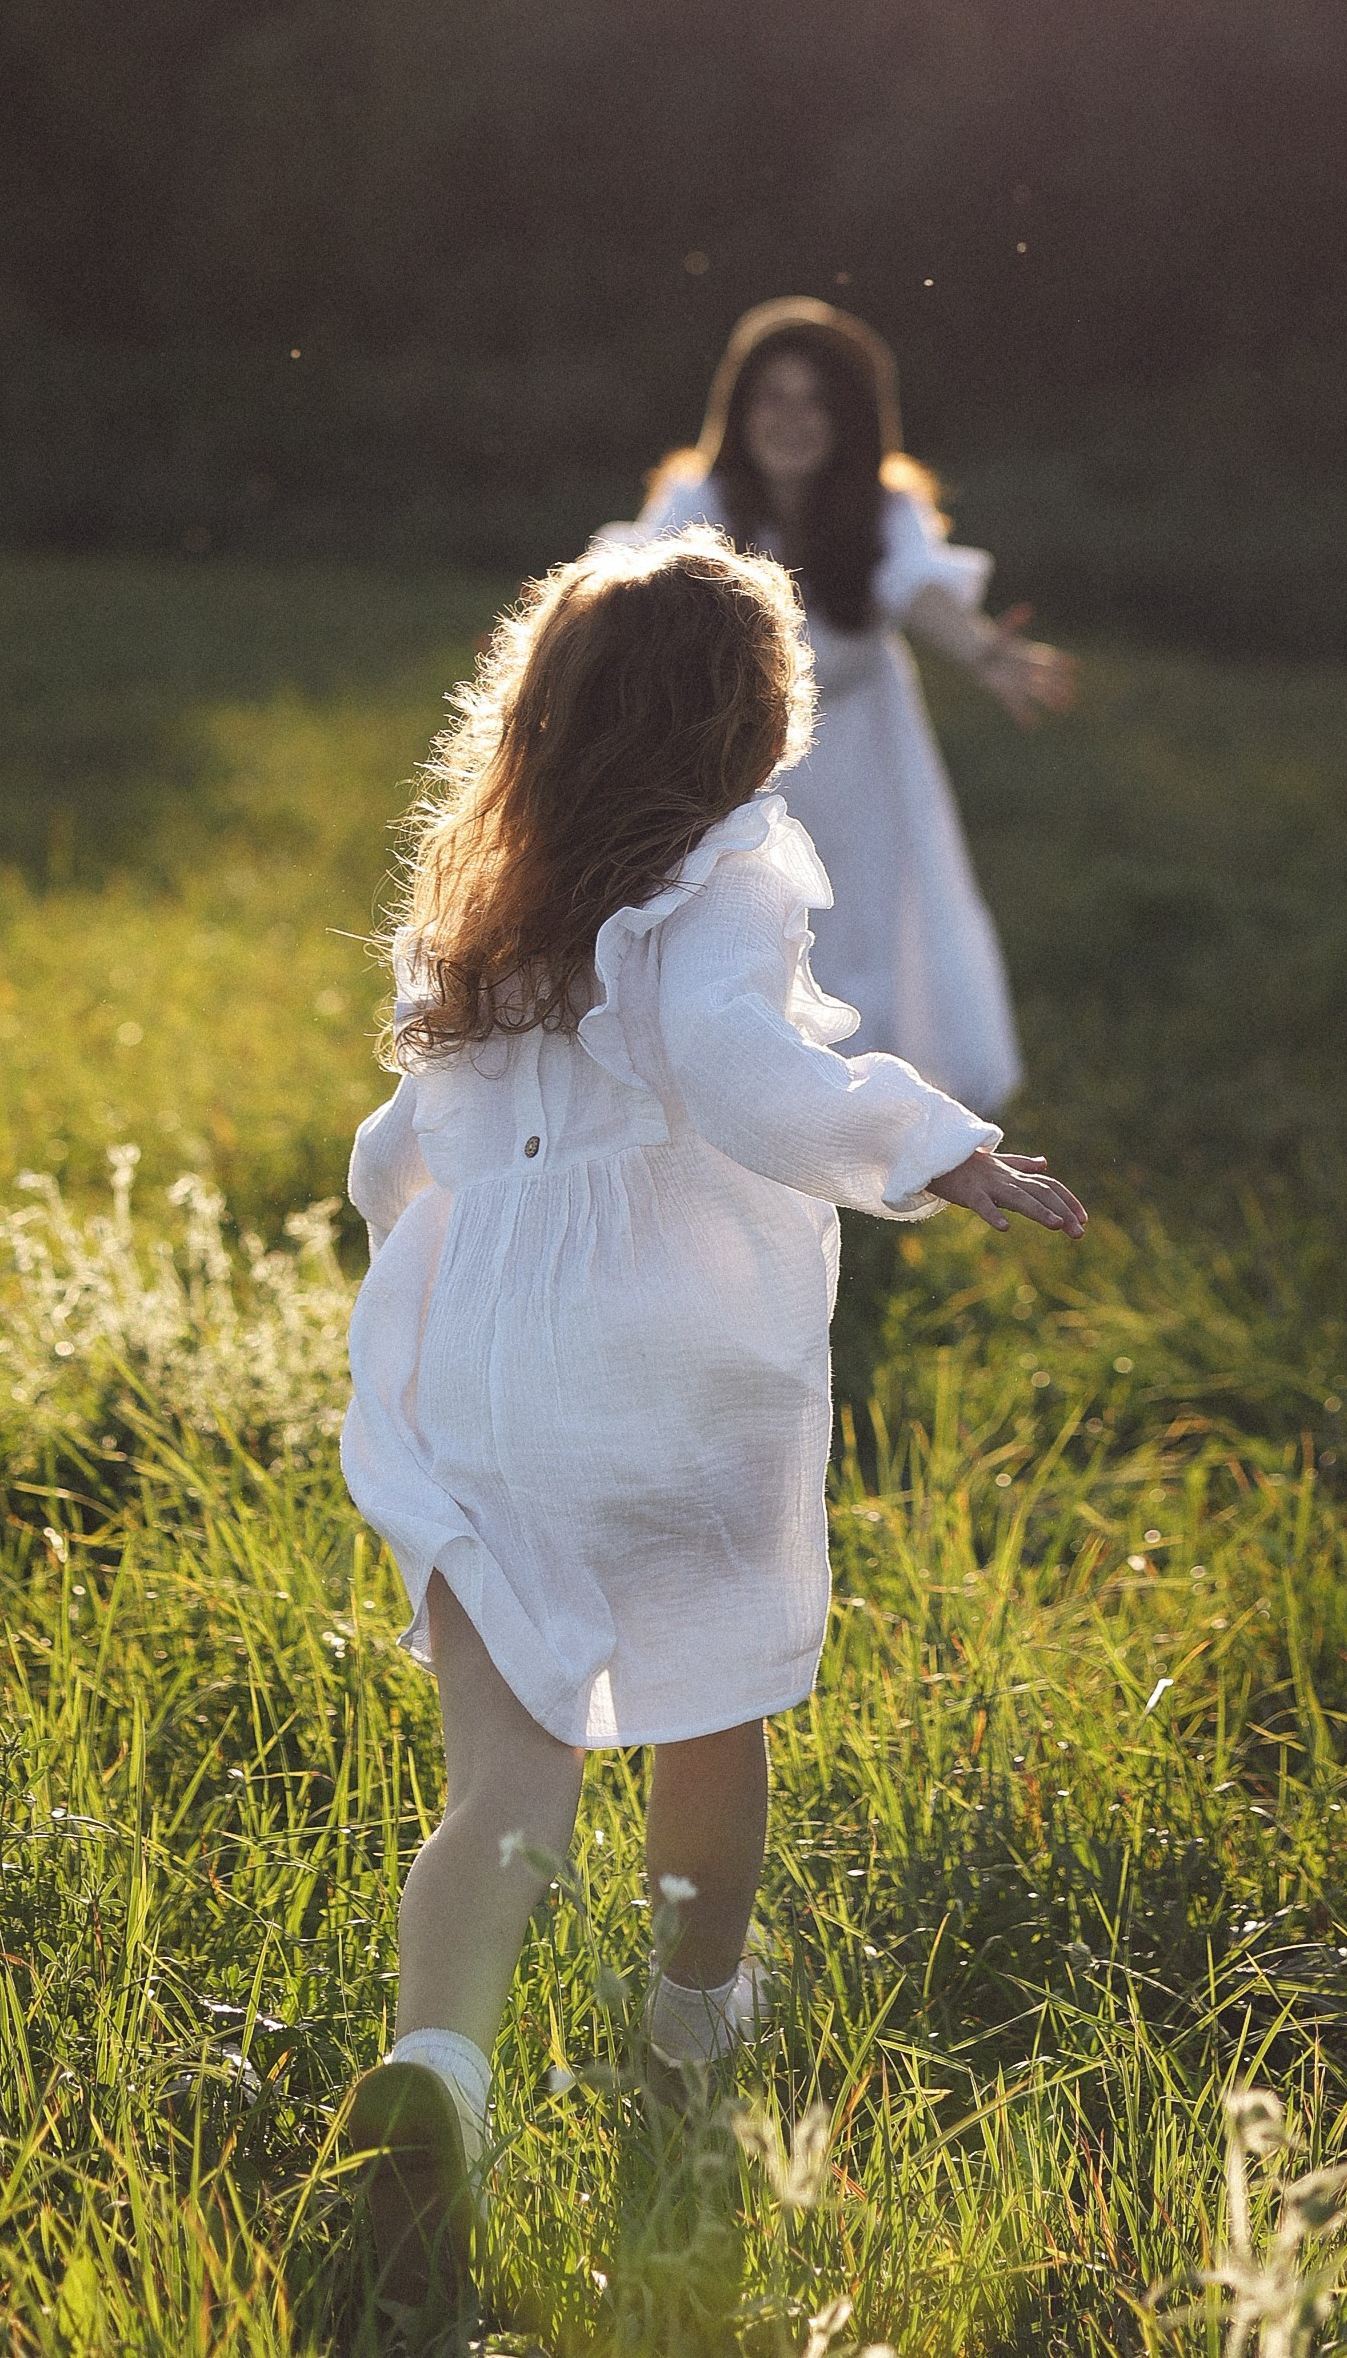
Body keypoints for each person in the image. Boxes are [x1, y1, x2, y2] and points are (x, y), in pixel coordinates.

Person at [337, 532, 1087, 2335]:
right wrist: (935, 1147)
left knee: (506, 1772)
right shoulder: (731, 871)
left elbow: (399, 1143)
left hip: (498, 1366)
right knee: (709, 1701)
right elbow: (739, 1064)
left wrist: (415, 1257)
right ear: (754, 719)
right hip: (680, 1362)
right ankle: (691, 2024)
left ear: (544, 713)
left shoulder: (491, 890)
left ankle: (440, 2064)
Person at [602, 299, 1074, 1115]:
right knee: (739, 925)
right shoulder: (700, 496)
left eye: (816, 401)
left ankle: (866, 1119)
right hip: (731, 766)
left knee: (858, 928)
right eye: (772, 397)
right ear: (738, 408)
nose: (791, 420)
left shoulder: (884, 508)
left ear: (851, 420)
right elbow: (631, 588)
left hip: (860, 760)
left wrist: (983, 651)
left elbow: (917, 588)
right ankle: (741, 1105)